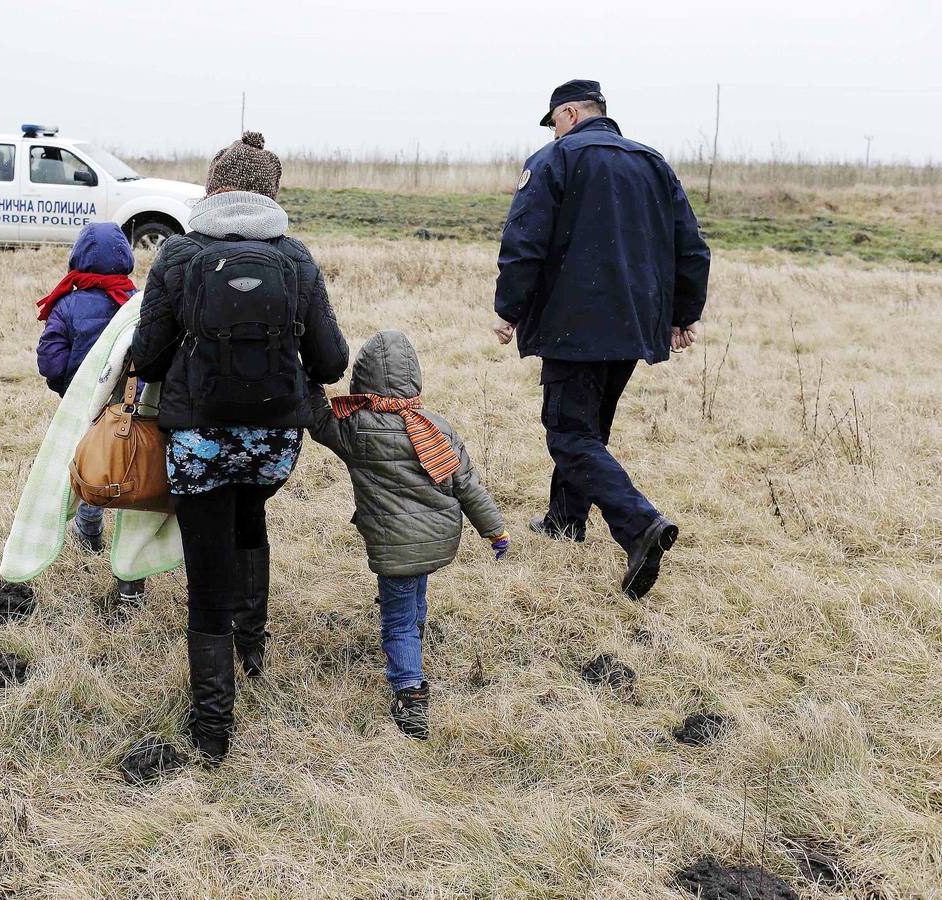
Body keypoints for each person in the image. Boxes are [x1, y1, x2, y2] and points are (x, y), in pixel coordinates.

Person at [130, 132, 349, 765]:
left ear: (214, 187)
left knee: (207, 567)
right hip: (274, 442)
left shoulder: (177, 253)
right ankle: (252, 651)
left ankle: (212, 727)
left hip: (198, 441)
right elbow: (331, 363)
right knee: (250, 521)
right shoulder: (296, 257)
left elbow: (146, 355)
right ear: (271, 192)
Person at [493, 79, 711, 599]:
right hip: (636, 322)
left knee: (568, 432)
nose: (555, 131)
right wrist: (683, 315)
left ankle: (640, 528)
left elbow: (523, 240)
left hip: (575, 325)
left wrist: (509, 309)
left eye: (555, 121)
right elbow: (692, 248)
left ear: (569, 113)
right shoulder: (653, 162)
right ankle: (564, 522)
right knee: (588, 429)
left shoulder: (555, 160)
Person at [307, 331, 509, 740]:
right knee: (415, 598)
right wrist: (495, 531)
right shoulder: (436, 427)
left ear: (362, 380)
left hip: (393, 544)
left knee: (396, 619)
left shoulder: (357, 429)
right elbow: (468, 484)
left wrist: (305, 377)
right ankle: (413, 642)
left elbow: (317, 420)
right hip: (438, 538)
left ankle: (410, 693)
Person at [35, 221, 146, 602]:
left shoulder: (67, 303)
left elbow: (50, 361)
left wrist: (68, 389)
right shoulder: (138, 303)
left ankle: (90, 532)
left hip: (84, 407)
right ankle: (131, 569)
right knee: (135, 473)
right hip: (134, 410)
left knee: (88, 468)